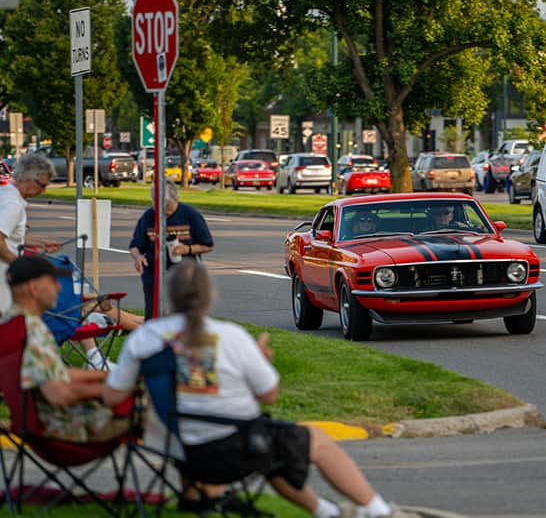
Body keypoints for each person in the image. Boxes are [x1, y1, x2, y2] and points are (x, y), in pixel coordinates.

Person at [102, 261, 410, 518]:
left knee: (274, 447)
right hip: (239, 449)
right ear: (210, 297)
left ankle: (325, 512)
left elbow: (113, 396)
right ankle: (378, 510)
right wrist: (262, 361)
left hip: (179, 451)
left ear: (169, 296)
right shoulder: (230, 337)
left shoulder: (144, 339)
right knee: (309, 441)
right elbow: (269, 395)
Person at [3, 255, 130, 442]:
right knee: (148, 408)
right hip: (64, 428)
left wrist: (105, 377)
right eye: (53, 282)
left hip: (33, 422)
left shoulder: (13, 325)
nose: (59, 288)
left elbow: (53, 375)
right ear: (34, 288)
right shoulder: (32, 331)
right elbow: (59, 392)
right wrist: (114, 390)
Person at [129, 179, 214, 319]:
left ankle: (188, 330)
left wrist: (187, 249)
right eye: (159, 208)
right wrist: (138, 257)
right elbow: (135, 245)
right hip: (154, 266)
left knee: (186, 308)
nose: (164, 214)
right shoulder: (148, 217)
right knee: (152, 308)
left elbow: (208, 245)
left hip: (184, 267)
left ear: (177, 199)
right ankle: (153, 329)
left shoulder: (190, 215)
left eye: (168, 208)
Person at [0, 154, 62, 316]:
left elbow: (9, 234)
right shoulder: (12, 204)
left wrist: (40, 243)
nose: (44, 190)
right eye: (42, 185)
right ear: (29, 178)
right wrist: (21, 266)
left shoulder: (5, 193)